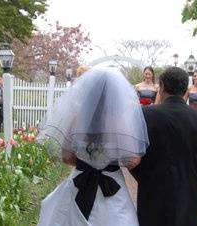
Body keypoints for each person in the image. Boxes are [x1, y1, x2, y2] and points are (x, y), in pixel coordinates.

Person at [36, 67, 149, 226]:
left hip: (79, 181)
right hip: (112, 185)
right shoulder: (121, 121)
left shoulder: (76, 117)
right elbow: (133, 160)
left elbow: (66, 157)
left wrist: (86, 160)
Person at [132, 67, 197, 226]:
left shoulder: (144, 116)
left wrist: (146, 177)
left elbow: (131, 155)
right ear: (185, 89)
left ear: (162, 87)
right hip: (187, 196)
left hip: (152, 195)